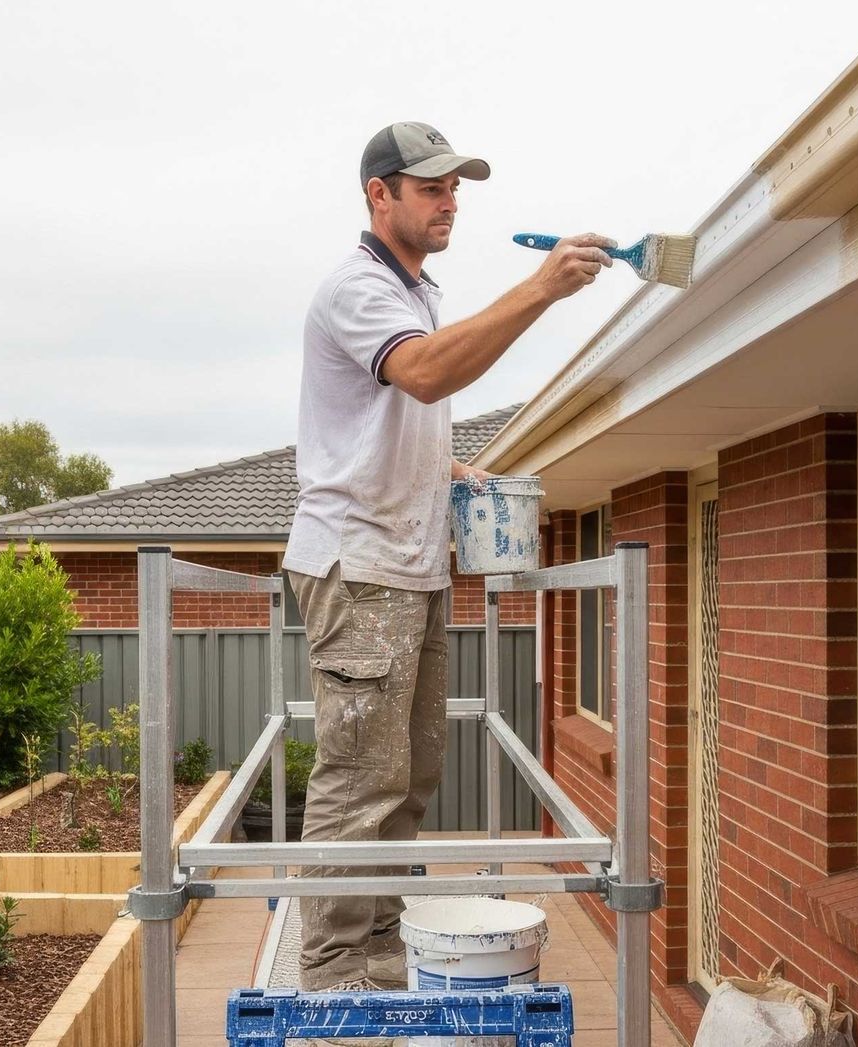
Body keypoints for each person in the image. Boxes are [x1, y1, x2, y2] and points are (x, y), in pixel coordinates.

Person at [281, 120, 613, 992]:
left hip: (412, 564)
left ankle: (381, 946)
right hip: (359, 567)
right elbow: (423, 374)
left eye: (455, 186)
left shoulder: (418, 292)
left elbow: (398, 411)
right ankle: (331, 971)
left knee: (411, 772)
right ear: (377, 194)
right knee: (361, 779)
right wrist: (540, 289)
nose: (450, 200)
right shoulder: (358, 289)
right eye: (431, 186)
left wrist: (448, 468)